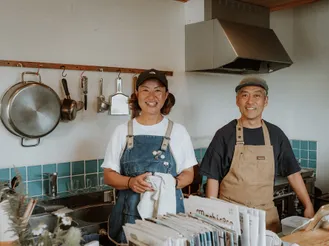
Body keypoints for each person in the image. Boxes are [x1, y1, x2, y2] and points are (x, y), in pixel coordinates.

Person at [199, 76, 314, 233]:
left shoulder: (276, 134)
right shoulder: (224, 134)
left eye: (256, 95)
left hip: (266, 218)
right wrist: (211, 217)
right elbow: (213, 178)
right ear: (237, 100)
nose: (250, 101)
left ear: (265, 101)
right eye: (245, 95)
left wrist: (308, 205)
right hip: (230, 217)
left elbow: (293, 174)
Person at [101, 68, 197, 244]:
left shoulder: (178, 131)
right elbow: (108, 175)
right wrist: (130, 182)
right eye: (145, 89)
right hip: (128, 219)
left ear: (166, 95)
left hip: (168, 219)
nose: (151, 96)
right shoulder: (122, 131)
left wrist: (168, 184)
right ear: (137, 94)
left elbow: (188, 174)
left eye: (158, 90)